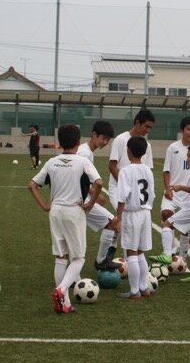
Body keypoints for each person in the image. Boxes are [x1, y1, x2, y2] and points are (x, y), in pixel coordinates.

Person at [28, 124, 103, 314]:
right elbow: (99, 182)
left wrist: (45, 205)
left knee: (61, 257)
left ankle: (65, 304)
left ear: (60, 143)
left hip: (56, 211)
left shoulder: (52, 162)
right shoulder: (82, 161)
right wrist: (91, 203)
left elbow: (32, 185)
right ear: (78, 142)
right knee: (78, 258)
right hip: (73, 211)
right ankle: (61, 290)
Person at [149, 144, 190, 284]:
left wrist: (179, 187)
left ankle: (167, 254)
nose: (187, 159)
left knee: (167, 224)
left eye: (189, 156)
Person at [76, 120, 121, 271]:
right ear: (94, 135)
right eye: (103, 138)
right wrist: (95, 194)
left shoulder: (86, 151)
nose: (105, 142)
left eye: (108, 140)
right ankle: (102, 260)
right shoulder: (84, 153)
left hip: (82, 198)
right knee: (113, 222)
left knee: (114, 224)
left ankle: (105, 258)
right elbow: (78, 178)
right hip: (80, 200)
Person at [114, 136, 156, 299]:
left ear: (128, 151)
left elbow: (122, 197)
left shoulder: (125, 171)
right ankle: (144, 288)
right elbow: (152, 194)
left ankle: (134, 291)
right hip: (146, 213)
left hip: (132, 214)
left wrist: (118, 218)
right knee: (139, 253)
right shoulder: (148, 171)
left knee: (131, 252)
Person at [161, 117, 190, 259]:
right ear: (182, 130)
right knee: (166, 214)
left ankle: (181, 259)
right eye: (188, 129)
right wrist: (168, 188)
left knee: (186, 229)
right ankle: (169, 250)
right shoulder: (173, 148)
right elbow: (166, 170)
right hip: (173, 192)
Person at [108, 110, 155, 211]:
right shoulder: (120, 140)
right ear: (137, 123)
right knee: (124, 216)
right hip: (118, 187)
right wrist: (125, 184)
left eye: (150, 128)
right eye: (146, 126)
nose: (148, 130)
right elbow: (112, 165)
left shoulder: (147, 145)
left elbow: (149, 169)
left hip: (138, 190)